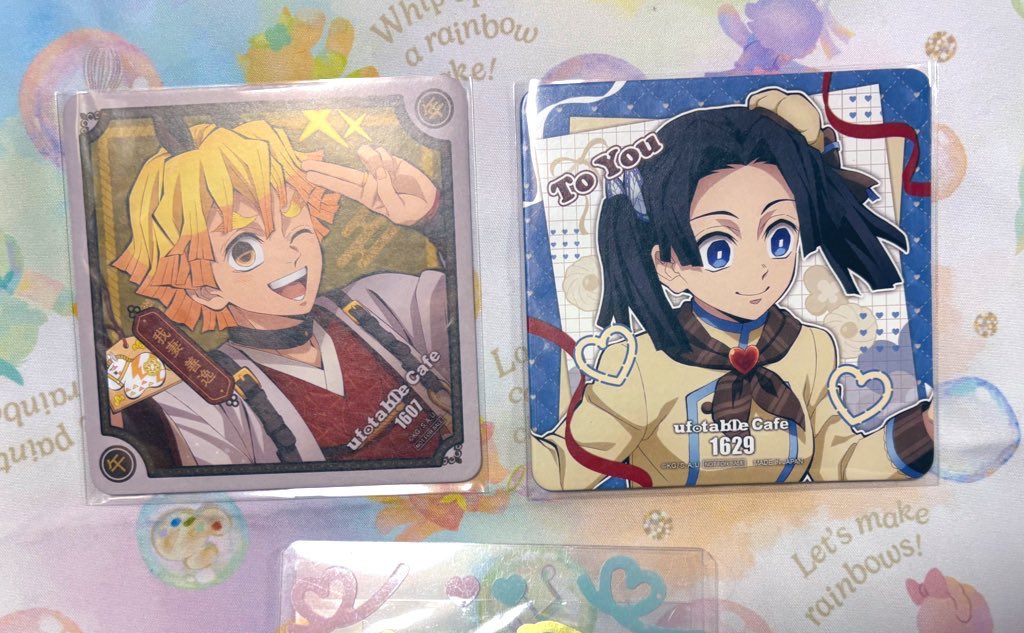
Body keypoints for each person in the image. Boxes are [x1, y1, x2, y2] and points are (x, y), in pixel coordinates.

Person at [533, 87, 933, 490]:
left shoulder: (810, 350)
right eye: (718, 249)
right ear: (667, 266)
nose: (758, 270)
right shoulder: (642, 365)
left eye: (779, 237)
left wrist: (925, 430)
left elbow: (840, 463)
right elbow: (566, 466)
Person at [113, 119, 454, 467]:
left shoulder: (378, 303)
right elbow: (159, 449)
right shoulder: (217, 399)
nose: (289, 254)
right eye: (244, 250)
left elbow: (473, 319)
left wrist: (435, 216)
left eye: (294, 222)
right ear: (205, 288)